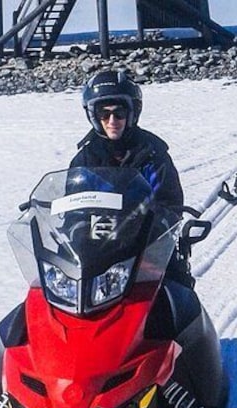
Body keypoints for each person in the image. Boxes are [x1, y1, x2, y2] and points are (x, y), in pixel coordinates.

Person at [71, 70, 194, 287]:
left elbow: (169, 203)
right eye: (104, 113)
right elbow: (72, 206)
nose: (112, 121)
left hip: (147, 248)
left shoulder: (152, 155)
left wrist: (150, 225)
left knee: (178, 291)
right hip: (95, 249)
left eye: (119, 113)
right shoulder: (84, 159)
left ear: (132, 113)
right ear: (94, 116)